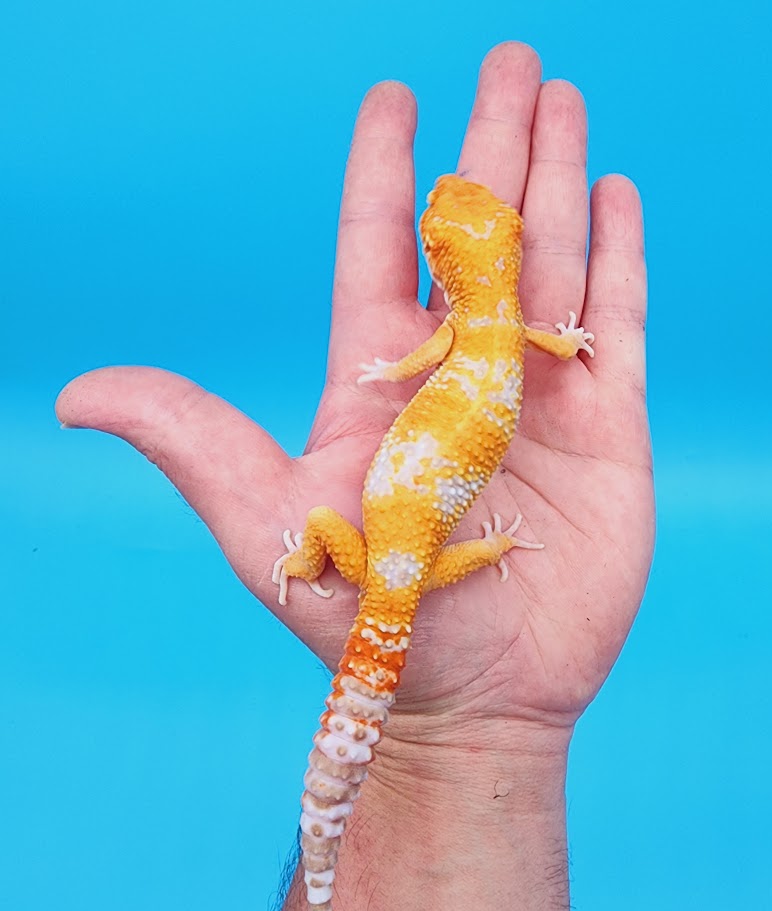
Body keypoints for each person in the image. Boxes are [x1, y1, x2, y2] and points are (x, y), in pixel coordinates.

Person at [56, 41, 653, 911]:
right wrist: (490, 558)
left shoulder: (464, 330)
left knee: (387, 571)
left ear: (448, 267)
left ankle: (316, 574)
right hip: (401, 548)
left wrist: (322, 538)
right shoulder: (509, 319)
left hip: (386, 539)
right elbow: (533, 341)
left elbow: (425, 352)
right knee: (414, 571)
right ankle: (347, 584)